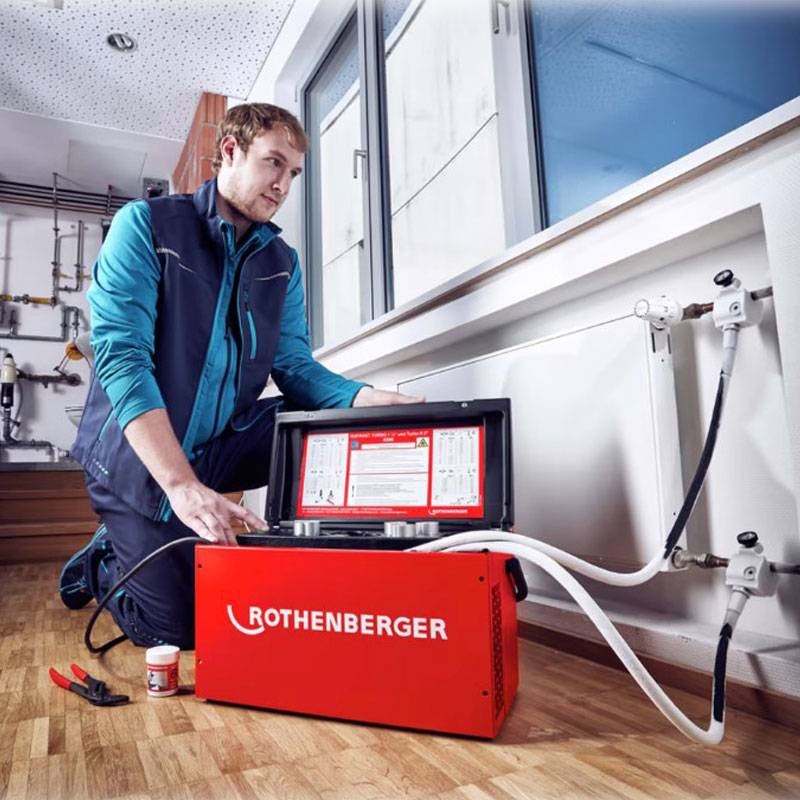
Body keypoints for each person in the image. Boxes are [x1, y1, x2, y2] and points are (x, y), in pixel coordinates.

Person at [60, 103, 421, 649]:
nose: (283, 185)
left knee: (326, 424)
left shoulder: (282, 263)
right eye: (273, 163)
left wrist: (363, 399)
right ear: (230, 150)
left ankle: (305, 561)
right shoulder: (147, 226)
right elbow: (123, 360)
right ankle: (102, 561)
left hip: (217, 446)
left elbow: (294, 366)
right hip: (138, 459)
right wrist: (181, 486)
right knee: (177, 631)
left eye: (293, 173)